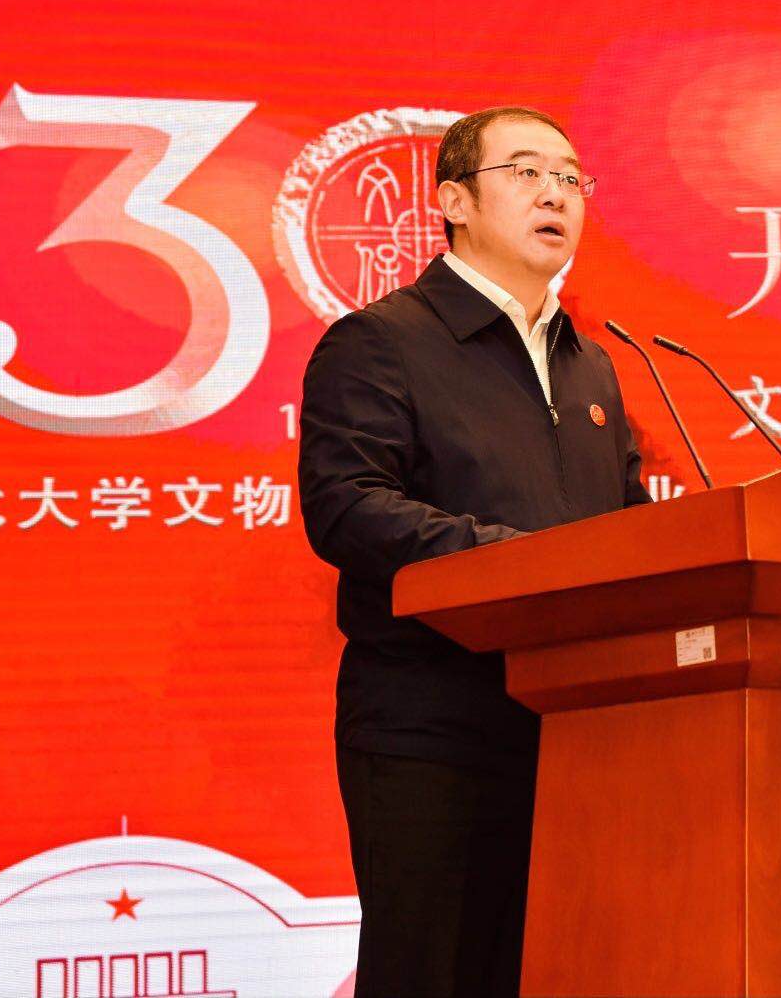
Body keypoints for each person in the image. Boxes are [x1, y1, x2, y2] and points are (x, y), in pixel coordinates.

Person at [298, 105, 649, 998]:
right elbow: (346, 506)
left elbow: (629, 525)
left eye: (570, 177)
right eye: (526, 172)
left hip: (577, 731)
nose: (555, 193)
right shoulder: (382, 341)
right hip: (434, 732)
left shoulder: (594, 364)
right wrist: (517, 559)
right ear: (454, 201)